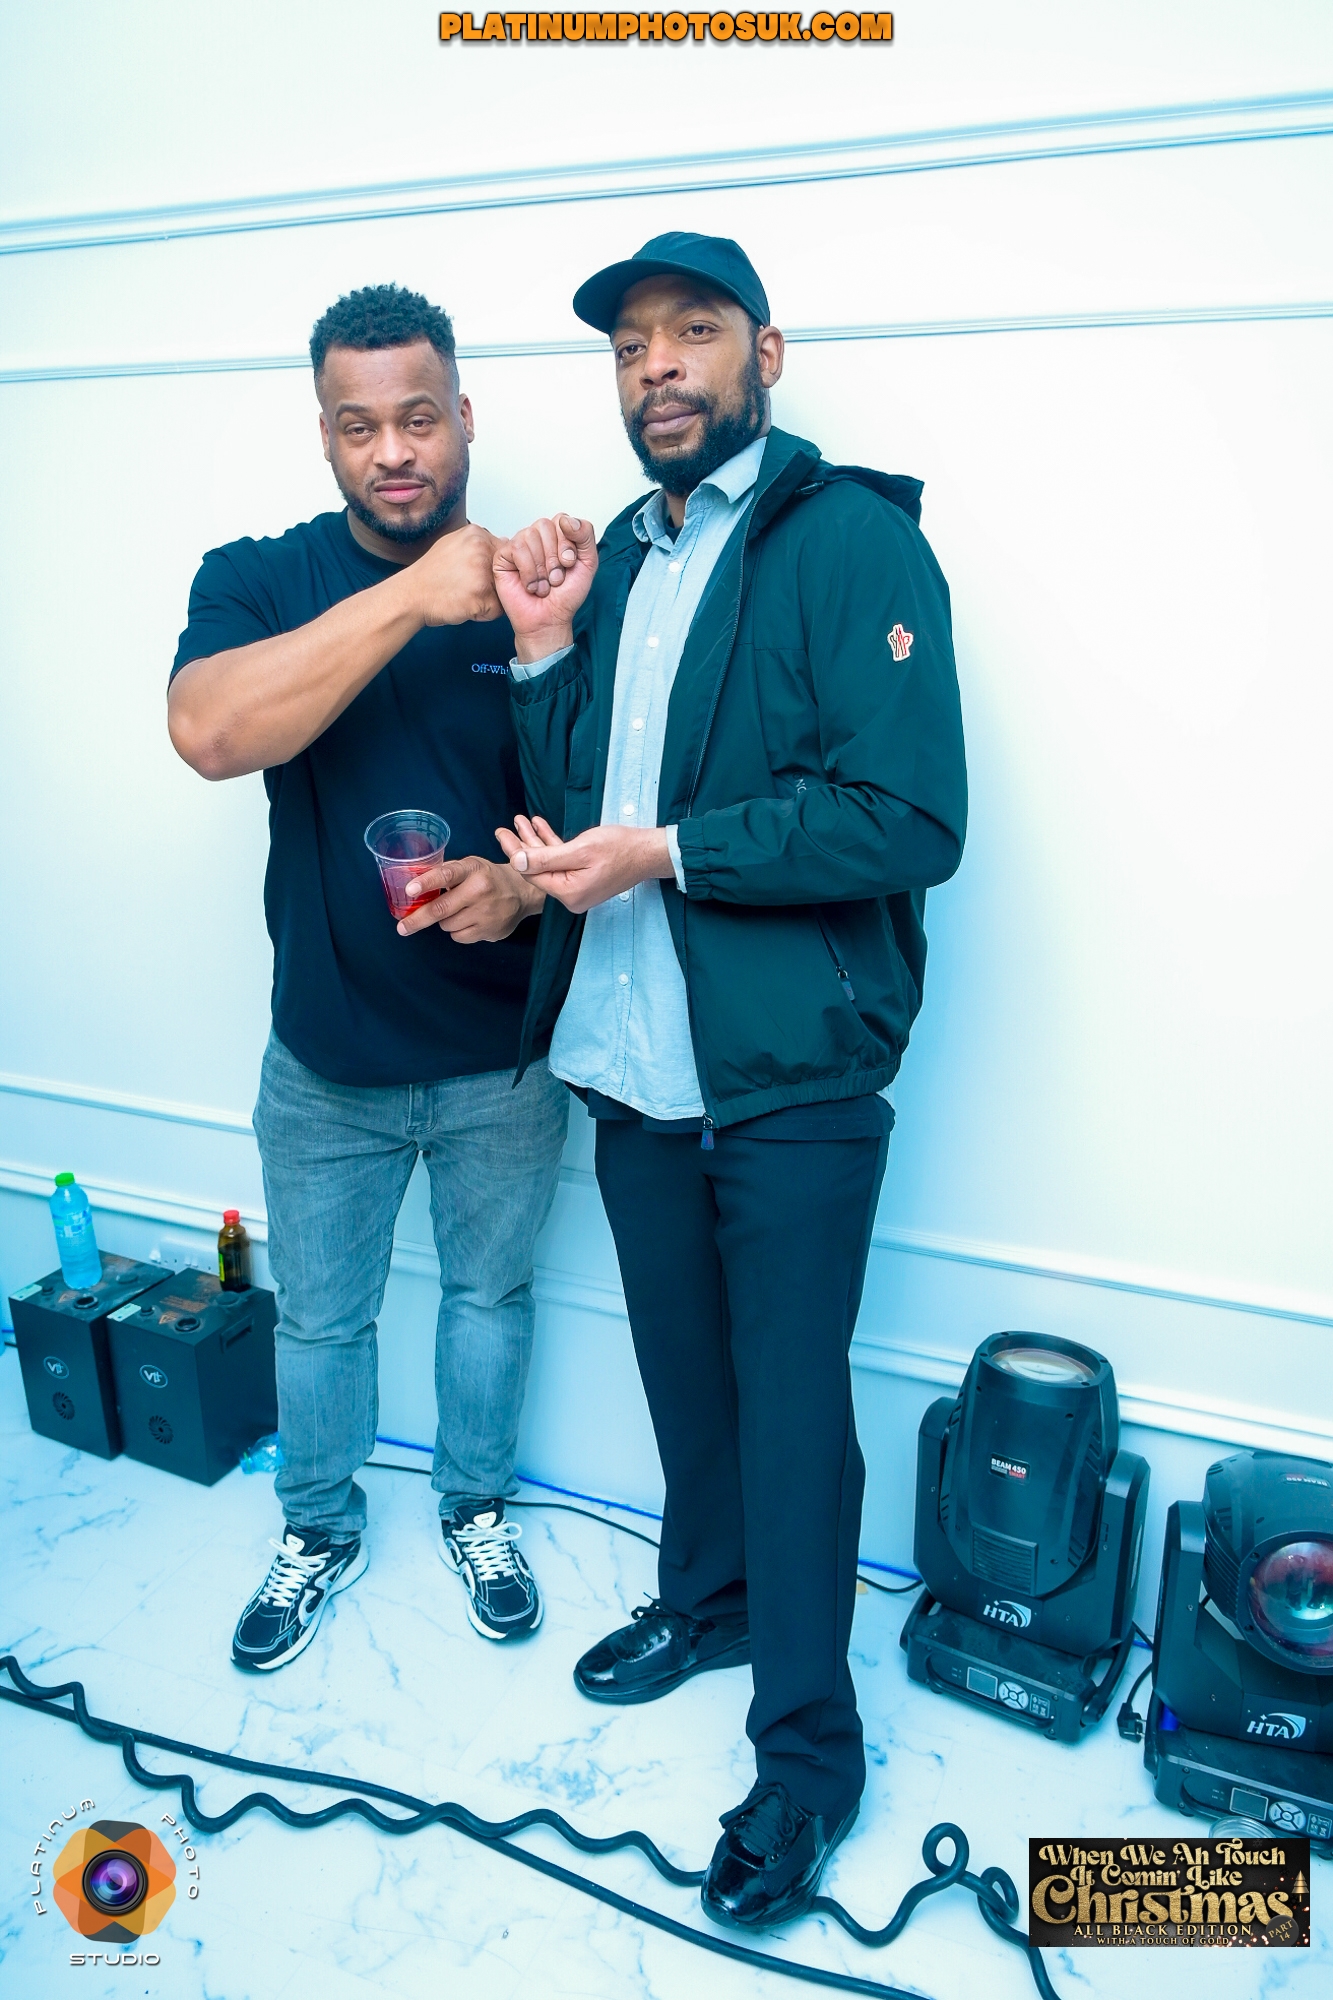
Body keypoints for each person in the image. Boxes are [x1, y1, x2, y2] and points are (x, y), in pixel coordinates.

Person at [482, 232, 967, 1928]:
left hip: (788, 1077)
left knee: (790, 1413)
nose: (657, 368)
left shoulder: (852, 543)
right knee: (686, 1382)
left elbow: (908, 820)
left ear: (766, 350)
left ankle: (807, 1755)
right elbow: (577, 798)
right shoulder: (621, 555)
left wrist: (670, 852)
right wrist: (541, 650)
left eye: (692, 332)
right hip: (628, 1059)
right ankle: (709, 1602)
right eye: (630, 346)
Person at [168, 284, 569, 1672]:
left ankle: (476, 1509)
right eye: (359, 427)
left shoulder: (540, 586)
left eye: (418, 418)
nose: (393, 452)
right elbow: (211, 735)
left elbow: (611, 809)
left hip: (503, 1059)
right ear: (326, 437)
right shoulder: (259, 576)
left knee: (488, 1306)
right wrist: (414, 593)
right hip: (326, 1059)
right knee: (323, 1322)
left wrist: (524, 889)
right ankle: (319, 1525)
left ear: (465, 418)